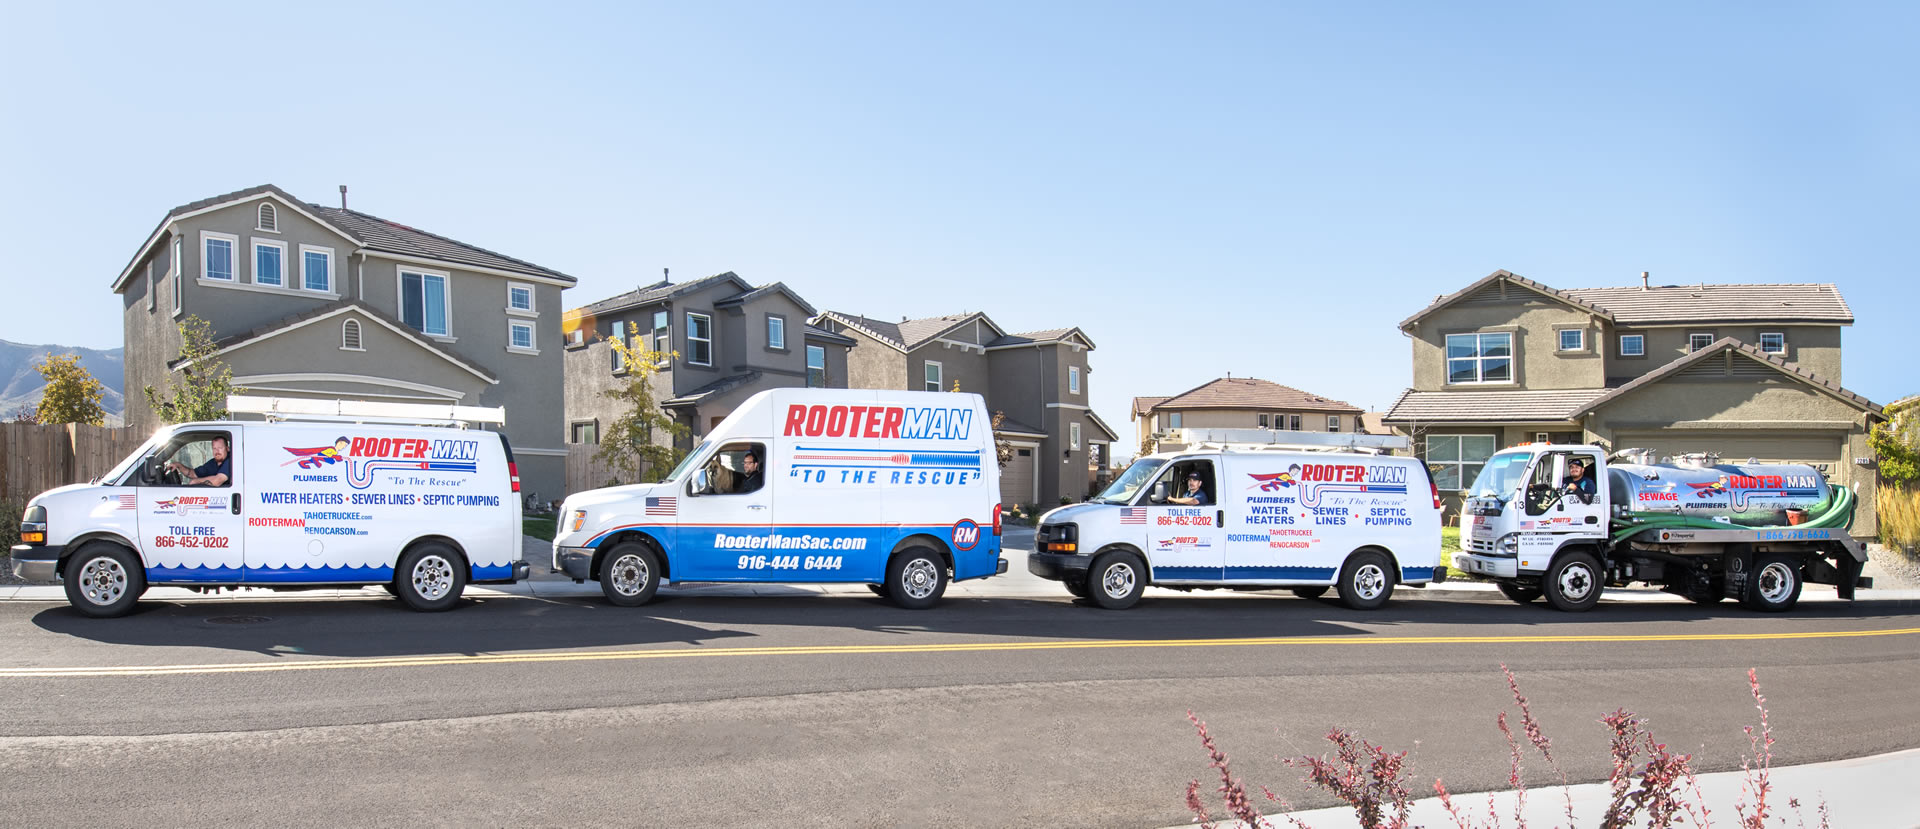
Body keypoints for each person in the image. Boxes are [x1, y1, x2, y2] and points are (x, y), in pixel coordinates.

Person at [168, 435, 232, 487]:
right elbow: (193, 474)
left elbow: (218, 480)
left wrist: (196, 481)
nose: (217, 451)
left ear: (227, 448)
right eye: (214, 448)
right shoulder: (213, 463)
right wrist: (178, 465)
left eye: (220, 448)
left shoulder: (230, 461)